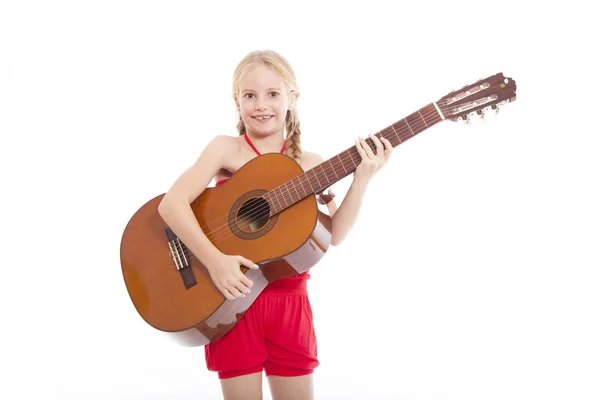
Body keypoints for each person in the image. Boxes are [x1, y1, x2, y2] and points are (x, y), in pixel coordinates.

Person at [157, 50, 393, 400]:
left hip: (290, 306)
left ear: (291, 98)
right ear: (236, 101)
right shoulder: (226, 149)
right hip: (232, 302)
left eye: (272, 94)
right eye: (249, 95)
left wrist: (362, 179)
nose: (261, 105)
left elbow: (335, 234)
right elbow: (171, 204)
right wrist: (214, 261)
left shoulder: (311, 164)